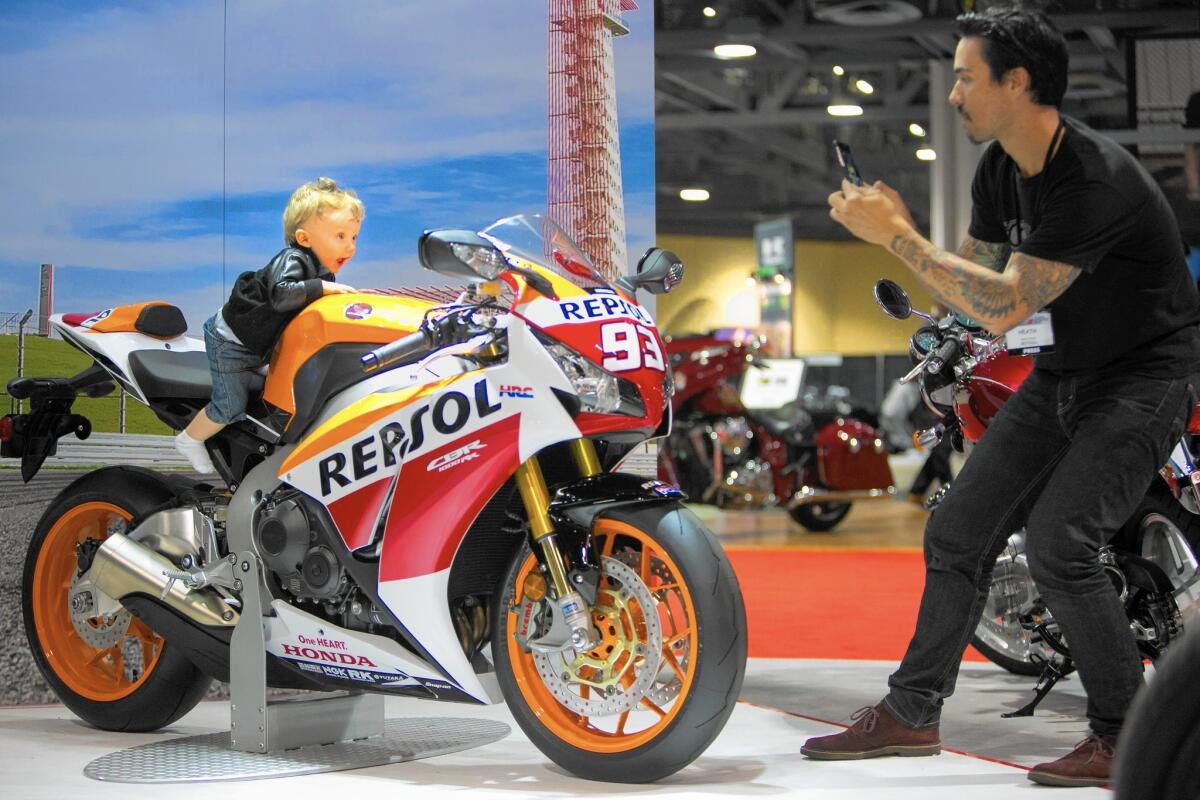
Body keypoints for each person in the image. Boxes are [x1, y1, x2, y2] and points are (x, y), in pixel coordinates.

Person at [806, 5, 1200, 788]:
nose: (953, 95)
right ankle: (912, 712)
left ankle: (1123, 732)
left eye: (964, 77)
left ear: (1016, 83)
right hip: (1063, 372)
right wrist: (910, 246)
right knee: (956, 530)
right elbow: (973, 282)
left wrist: (896, 238)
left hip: (1143, 376)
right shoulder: (999, 171)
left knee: (1059, 545)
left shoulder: (1093, 178)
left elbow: (1008, 303)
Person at [174, 177, 363, 473]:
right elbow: (281, 295)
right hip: (232, 343)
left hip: (259, 343)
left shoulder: (323, 274)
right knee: (230, 405)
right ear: (304, 239)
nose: (350, 247)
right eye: (340, 236)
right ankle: (189, 439)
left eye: (354, 238)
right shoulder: (293, 260)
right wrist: (323, 290)